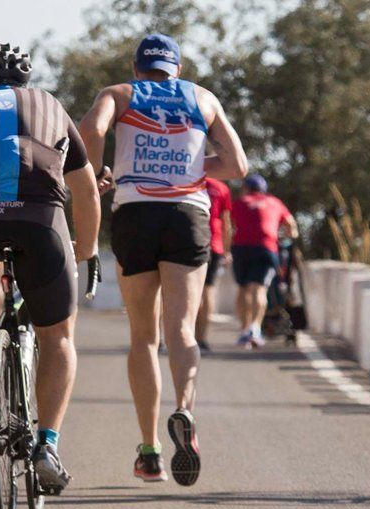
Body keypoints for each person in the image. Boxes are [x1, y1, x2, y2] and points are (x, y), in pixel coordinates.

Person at [79, 34, 247, 485]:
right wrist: (192, 166)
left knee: (142, 336)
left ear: (137, 67)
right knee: (182, 330)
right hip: (188, 215)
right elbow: (237, 164)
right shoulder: (202, 97)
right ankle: (184, 410)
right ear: (177, 67)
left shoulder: (120, 94)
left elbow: (90, 132)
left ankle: (150, 449)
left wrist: (96, 176)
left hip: (134, 212)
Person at [0, 44, 100, 493]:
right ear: (25, 81)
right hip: (41, 226)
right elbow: (85, 192)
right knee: (60, 337)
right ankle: (47, 444)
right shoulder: (52, 106)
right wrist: (83, 252)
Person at [230, 174, 298, 348]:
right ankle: (255, 328)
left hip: (241, 248)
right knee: (259, 289)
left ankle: (245, 330)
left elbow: (229, 224)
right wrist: (285, 239)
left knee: (243, 288)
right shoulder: (274, 202)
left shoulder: (240, 202)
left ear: (246, 188)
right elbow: (291, 226)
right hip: (266, 248)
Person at [195, 177, 233, 353]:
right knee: (208, 290)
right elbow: (226, 223)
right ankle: (201, 338)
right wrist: (226, 250)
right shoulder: (221, 188)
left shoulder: (191, 179)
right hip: (214, 244)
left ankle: (182, 336)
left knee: (187, 291)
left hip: (192, 240)